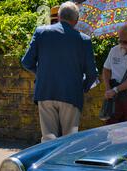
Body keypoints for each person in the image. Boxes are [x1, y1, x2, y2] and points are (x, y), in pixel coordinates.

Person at [21, 1, 98, 143]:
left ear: (59, 16)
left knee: (48, 139)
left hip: (45, 91)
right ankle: (64, 165)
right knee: (68, 141)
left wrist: (41, 74)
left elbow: (26, 62)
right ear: (76, 20)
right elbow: (92, 73)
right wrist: (83, 87)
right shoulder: (84, 40)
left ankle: (48, 164)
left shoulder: (41, 32)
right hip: (71, 94)